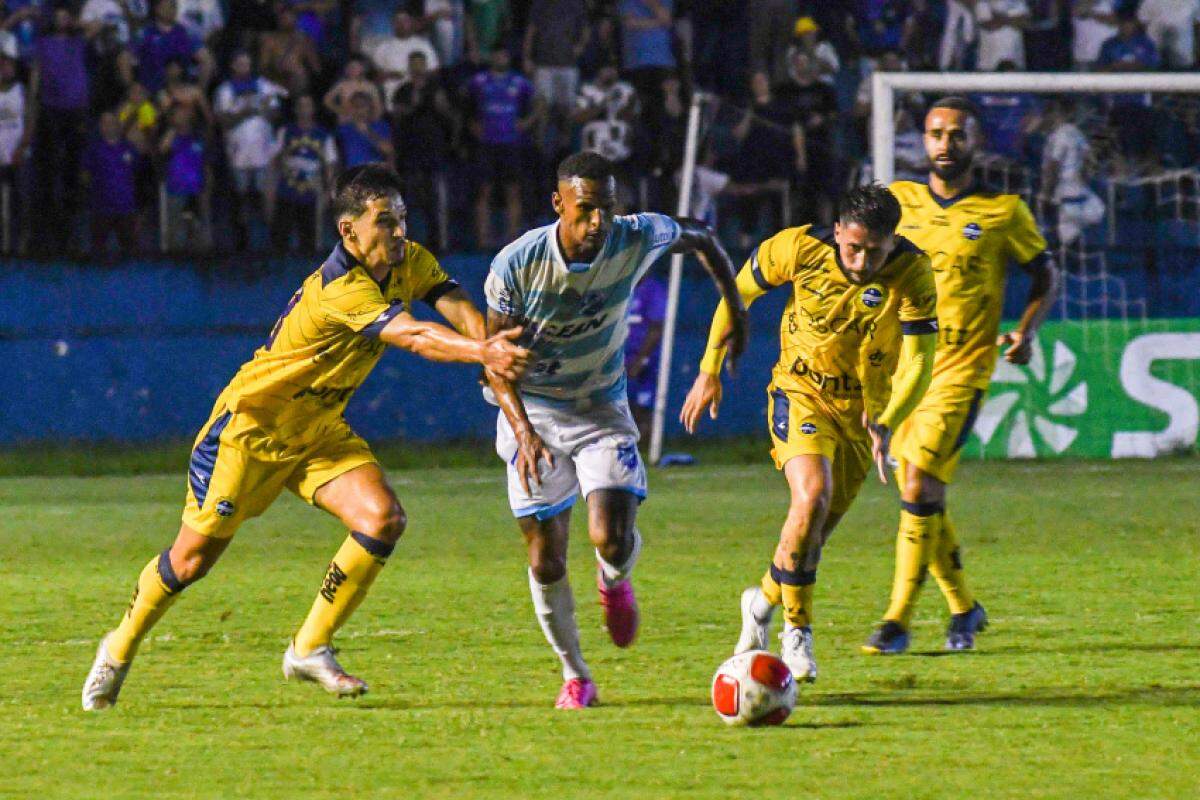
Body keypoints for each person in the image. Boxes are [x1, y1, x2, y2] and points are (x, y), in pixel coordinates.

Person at [82, 164, 531, 710]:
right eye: (384, 221)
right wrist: (485, 354)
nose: (398, 232)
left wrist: (491, 345)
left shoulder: (407, 261)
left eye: (403, 219)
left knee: (382, 519)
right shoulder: (339, 289)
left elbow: (451, 301)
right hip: (250, 431)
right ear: (348, 231)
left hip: (316, 432)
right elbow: (412, 335)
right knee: (192, 561)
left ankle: (310, 646)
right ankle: (118, 647)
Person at [483, 151, 748, 708]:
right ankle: (575, 674)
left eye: (607, 208)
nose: (598, 222)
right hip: (533, 414)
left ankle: (613, 577)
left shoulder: (633, 236)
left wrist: (736, 309)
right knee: (545, 559)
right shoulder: (516, 265)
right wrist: (524, 430)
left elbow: (701, 236)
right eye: (586, 210)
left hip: (600, 407)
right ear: (559, 204)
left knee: (611, 536)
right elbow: (493, 360)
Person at [681, 184, 938, 682]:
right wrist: (709, 368)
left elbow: (921, 358)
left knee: (810, 535)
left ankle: (762, 600)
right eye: (853, 247)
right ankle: (796, 633)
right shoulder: (798, 248)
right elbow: (740, 292)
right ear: (838, 230)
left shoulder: (913, 270)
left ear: (893, 242)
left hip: (863, 413)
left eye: (875, 251)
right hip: (800, 393)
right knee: (811, 496)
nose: (862, 261)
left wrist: (889, 418)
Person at [862, 96, 1058, 655]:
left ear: (975, 142)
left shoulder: (1002, 213)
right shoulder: (897, 203)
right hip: (903, 372)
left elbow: (1045, 275)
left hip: (960, 371)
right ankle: (964, 609)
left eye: (957, 134)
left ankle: (896, 620)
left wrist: (1027, 328)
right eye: (936, 133)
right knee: (917, 492)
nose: (945, 144)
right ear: (923, 141)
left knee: (920, 481)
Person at [467, 47, 537, 249]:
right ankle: (483, 240)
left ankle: (513, 239)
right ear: (491, 56)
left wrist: (526, 122)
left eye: (504, 53)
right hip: (486, 144)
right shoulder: (479, 81)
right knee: (484, 191)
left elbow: (539, 103)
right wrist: (472, 126)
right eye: (497, 53)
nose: (500, 56)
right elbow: (466, 107)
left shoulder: (519, 82)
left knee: (513, 191)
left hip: (511, 143)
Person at [272, 94, 337, 253]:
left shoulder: (323, 135)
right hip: (286, 188)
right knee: (281, 236)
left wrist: (328, 190)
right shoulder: (285, 131)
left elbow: (330, 164)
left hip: (312, 191)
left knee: (308, 239)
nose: (304, 110)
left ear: (313, 109)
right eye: (300, 106)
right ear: (295, 109)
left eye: (307, 106)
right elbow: (274, 160)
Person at [624, 268, 667, 443]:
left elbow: (657, 327)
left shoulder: (653, 289)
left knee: (644, 406)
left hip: (645, 360)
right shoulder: (623, 287)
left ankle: (645, 445)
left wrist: (641, 359)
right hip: (620, 357)